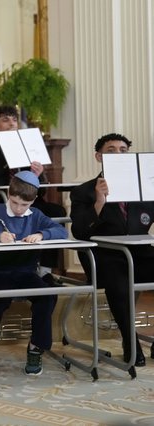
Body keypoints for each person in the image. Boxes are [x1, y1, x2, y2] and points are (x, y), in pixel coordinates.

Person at [0, 171, 67, 376]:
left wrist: (41, 234)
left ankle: (36, 347)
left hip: (25, 273)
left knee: (46, 296)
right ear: (8, 194)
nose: (19, 209)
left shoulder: (36, 215)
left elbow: (61, 231)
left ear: (34, 200)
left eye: (25, 205)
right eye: (15, 203)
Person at [70, 133, 154, 367]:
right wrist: (99, 202)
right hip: (103, 255)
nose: (118, 154)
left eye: (123, 150)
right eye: (111, 150)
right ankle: (131, 343)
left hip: (140, 253)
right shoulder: (83, 191)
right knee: (119, 285)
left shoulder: (144, 186)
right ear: (99, 157)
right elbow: (79, 231)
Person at [0, 105, 66, 269]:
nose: (12, 124)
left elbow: (41, 191)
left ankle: (45, 270)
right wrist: (7, 155)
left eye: (14, 120)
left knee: (57, 212)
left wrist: (38, 175)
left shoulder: (27, 149)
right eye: (5, 120)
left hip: (28, 202)